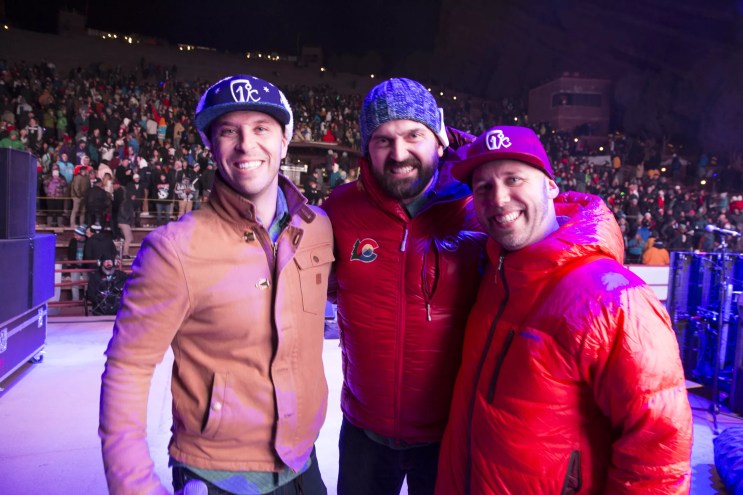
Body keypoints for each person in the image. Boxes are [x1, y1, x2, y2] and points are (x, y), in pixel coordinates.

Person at [99, 74, 334, 495]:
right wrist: (134, 487)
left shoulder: (318, 228)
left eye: (261, 128)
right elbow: (127, 369)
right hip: (218, 476)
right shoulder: (173, 249)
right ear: (211, 145)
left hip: (305, 464)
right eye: (229, 131)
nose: (246, 144)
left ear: (284, 141)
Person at [435, 126, 692, 494]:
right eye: (484, 187)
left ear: (552, 187)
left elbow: (658, 454)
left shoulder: (614, 297)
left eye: (514, 179)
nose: (499, 198)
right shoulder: (493, 273)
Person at [322, 77, 486, 495]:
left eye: (414, 134)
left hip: (449, 434)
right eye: (383, 140)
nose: (399, 154)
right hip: (365, 433)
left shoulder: (480, 206)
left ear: (440, 139)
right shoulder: (340, 209)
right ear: (367, 148)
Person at [66, 224, 89, 301]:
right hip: (75, 265)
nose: (75, 236)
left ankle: (86, 299)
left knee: (87, 284)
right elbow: (69, 252)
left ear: (82, 235)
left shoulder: (88, 241)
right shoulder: (73, 241)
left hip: (85, 266)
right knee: (74, 284)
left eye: (76, 235)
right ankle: (75, 300)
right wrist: (71, 262)